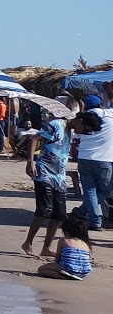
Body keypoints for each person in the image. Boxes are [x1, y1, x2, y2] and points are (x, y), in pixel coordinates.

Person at [20, 116, 69, 258]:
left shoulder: (70, 130)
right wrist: (30, 161)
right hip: (44, 172)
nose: (83, 132)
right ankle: (28, 242)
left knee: (59, 214)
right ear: (80, 122)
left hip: (59, 175)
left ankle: (46, 248)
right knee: (44, 210)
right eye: (84, 129)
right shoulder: (55, 125)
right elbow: (34, 138)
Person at [70, 97, 111, 232]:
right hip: (104, 160)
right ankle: (92, 219)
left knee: (89, 190)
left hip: (84, 158)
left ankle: (84, 214)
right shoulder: (109, 115)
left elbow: (76, 136)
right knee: (105, 190)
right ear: (101, 104)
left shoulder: (82, 119)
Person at [37, 212, 93, 280]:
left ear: (66, 232)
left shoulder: (64, 240)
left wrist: (56, 267)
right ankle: (74, 275)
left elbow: (58, 257)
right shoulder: (86, 244)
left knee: (41, 269)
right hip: (84, 271)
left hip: (68, 268)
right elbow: (88, 258)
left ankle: (62, 276)